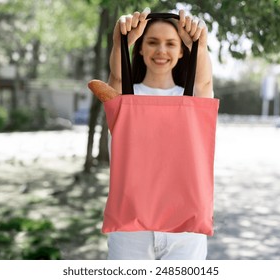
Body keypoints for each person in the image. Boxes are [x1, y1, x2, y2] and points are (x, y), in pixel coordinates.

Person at [106, 8, 214, 260]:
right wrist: (120, 41)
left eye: (170, 43)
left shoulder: (192, 101)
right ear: (140, 47)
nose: (161, 50)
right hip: (131, 229)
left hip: (185, 231)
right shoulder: (124, 98)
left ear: (181, 51)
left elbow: (204, 84)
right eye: (152, 42)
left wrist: (200, 46)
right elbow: (117, 77)